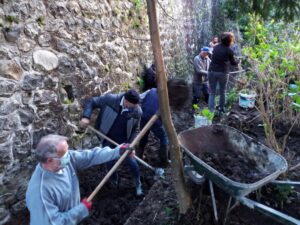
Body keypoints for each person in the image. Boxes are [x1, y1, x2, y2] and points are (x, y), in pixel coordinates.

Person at [26, 134, 128, 225]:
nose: (68, 155)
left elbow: (91, 156)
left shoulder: (64, 161)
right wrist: (81, 209)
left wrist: (117, 151)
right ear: (50, 160)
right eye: (64, 154)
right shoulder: (40, 192)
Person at [80, 89, 143, 196]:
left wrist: (131, 145)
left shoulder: (137, 111)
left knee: (132, 162)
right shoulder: (110, 100)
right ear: (126, 101)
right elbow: (91, 101)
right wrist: (86, 116)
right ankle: (114, 180)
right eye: (132, 105)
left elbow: (135, 130)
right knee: (108, 161)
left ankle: (138, 183)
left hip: (124, 141)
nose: (135, 107)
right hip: (106, 137)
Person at [208, 32, 239, 113]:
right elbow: (233, 63)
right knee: (222, 92)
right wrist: (238, 62)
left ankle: (210, 111)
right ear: (230, 41)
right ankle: (221, 109)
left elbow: (214, 56)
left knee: (212, 93)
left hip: (211, 71)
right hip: (223, 72)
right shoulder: (229, 50)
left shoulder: (215, 47)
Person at [138, 88, 169, 166]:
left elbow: (139, 98)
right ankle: (164, 160)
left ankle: (139, 156)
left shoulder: (151, 90)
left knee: (143, 136)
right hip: (154, 119)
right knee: (164, 137)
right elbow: (165, 115)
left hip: (143, 116)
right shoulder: (166, 97)